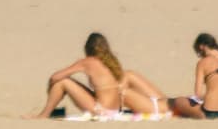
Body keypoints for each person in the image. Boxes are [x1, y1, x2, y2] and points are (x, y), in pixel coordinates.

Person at [31, 31, 166, 119]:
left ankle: (44, 114)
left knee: (63, 82)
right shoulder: (111, 61)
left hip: (101, 111)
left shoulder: (88, 62)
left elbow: (56, 77)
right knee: (70, 82)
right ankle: (50, 111)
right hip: (116, 110)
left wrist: (51, 89)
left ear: (88, 48)